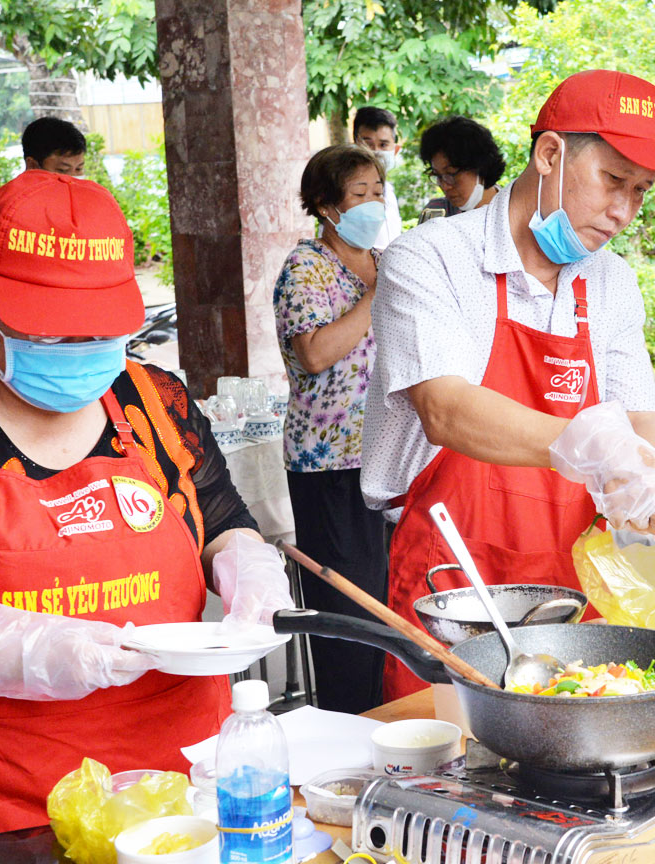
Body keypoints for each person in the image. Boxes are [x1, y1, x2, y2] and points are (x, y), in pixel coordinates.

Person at [0, 170, 293, 863]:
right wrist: (18, 653)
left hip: (177, 788)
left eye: (98, 335)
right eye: (51, 337)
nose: (80, 355)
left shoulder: (157, 404)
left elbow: (217, 517)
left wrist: (247, 565)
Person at [362, 69, 655, 701]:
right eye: (613, 181)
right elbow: (446, 409)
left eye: (641, 191)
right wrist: (600, 448)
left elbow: (639, 420)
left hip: (575, 588)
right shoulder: (430, 258)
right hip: (453, 585)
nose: (624, 211)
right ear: (549, 154)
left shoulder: (611, 283)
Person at [273, 145, 387, 713]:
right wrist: (375, 298)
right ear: (325, 205)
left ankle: (391, 722)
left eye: (378, 192)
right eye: (360, 194)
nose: (374, 203)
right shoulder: (307, 267)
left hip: (387, 460)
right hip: (330, 464)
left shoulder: (387, 262)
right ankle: (346, 727)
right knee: (349, 611)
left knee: (390, 605)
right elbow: (315, 353)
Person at [416, 116, 505, 223]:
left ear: (480, 167)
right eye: (438, 176)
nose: (445, 186)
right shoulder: (436, 211)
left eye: (450, 174)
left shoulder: (513, 211)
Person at [353, 106, 403, 250]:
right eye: (367, 144)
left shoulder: (389, 190)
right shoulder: (345, 191)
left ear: (395, 150)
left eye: (383, 144)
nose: (375, 152)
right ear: (355, 147)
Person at [21, 116, 87, 176]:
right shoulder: (15, 189)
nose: (74, 178)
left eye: (78, 169)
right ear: (32, 166)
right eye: (63, 170)